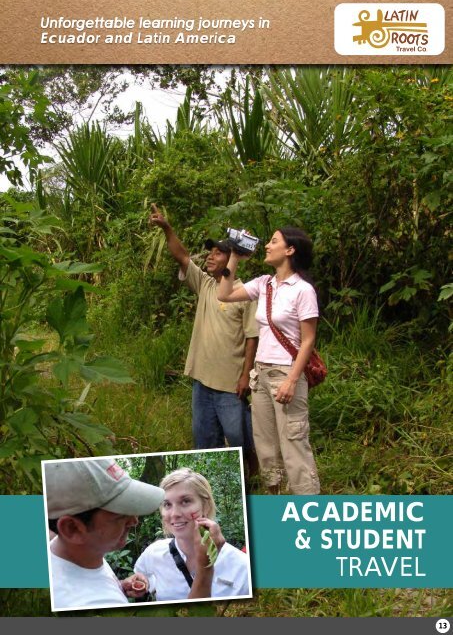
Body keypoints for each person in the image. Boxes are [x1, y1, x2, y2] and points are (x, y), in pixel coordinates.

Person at [149, 204, 259, 465]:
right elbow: (183, 257)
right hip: (202, 382)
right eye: (210, 252)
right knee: (204, 438)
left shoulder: (245, 293)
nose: (210, 257)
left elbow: (252, 337)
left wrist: (246, 376)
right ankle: (211, 476)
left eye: (218, 253)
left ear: (231, 259)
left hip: (230, 386)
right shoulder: (206, 285)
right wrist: (166, 228)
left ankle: (250, 476)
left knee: (238, 437)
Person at [217, 227, 321, 495]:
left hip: (285, 374)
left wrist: (292, 380)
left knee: (294, 444)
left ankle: (308, 508)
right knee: (265, 445)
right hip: (260, 375)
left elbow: (308, 340)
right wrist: (235, 258)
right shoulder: (265, 284)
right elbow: (224, 294)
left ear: (290, 250)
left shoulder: (302, 290)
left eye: (274, 242)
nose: (267, 246)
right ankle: (275, 504)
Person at [44, 457, 220, 610]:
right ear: (72, 529)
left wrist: (118, 586)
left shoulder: (79, 551)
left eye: (186, 501)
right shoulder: (94, 603)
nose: (134, 521)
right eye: (120, 515)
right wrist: (205, 568)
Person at [134, 468, 251, 601]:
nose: (175, 514)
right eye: (167, 504)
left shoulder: (242, 567)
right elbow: (140, 579)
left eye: (185, 501)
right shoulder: (153, 554)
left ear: (205, 506)